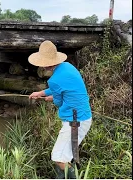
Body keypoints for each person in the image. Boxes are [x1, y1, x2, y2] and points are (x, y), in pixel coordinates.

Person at [28, 40, 92, 179]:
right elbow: (63, 87)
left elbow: (58, 101)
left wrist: (51, 98)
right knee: (66, 154)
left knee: (58, 157)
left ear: (47, 63)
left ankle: (75, 177)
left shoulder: (54, 79)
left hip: (75, 120)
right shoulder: (67, 66)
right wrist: (41, 93)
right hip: (82, 116)